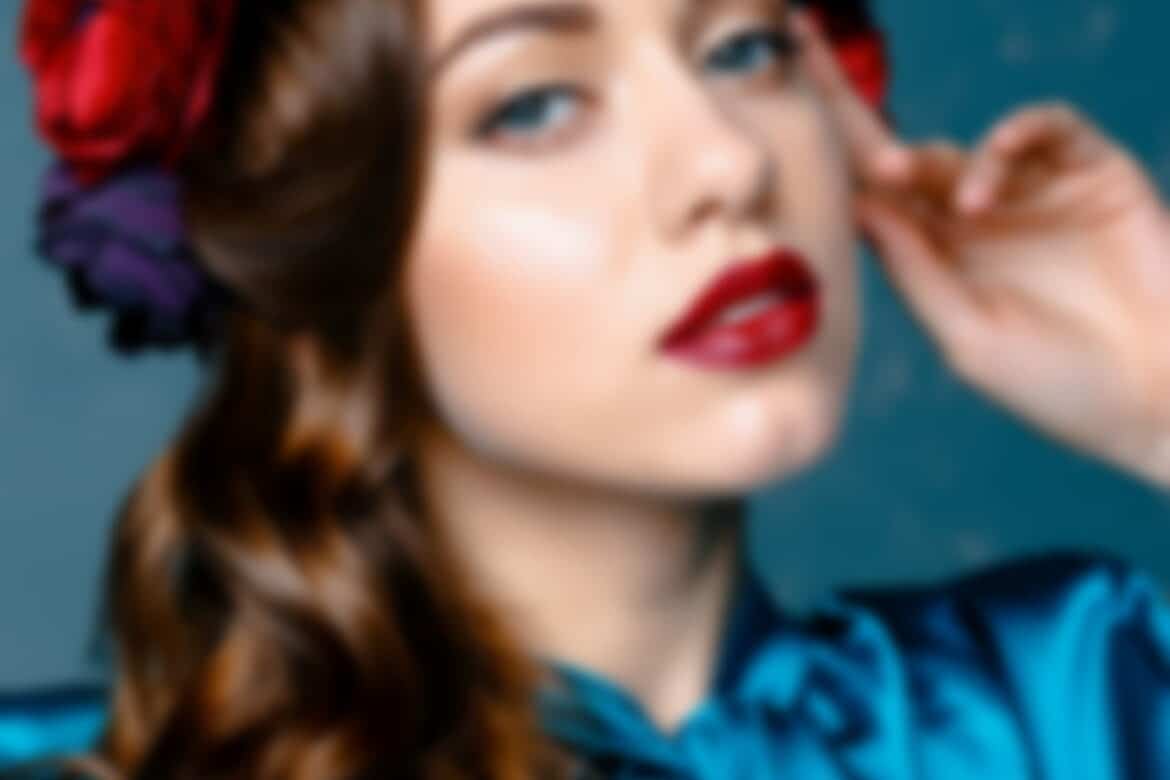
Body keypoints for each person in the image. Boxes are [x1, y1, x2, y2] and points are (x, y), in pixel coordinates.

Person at [3, 0, 1169, 777]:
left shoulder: (1077, 692)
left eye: (743, 49)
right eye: (535, 105)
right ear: (330, 260)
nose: (729, 160)